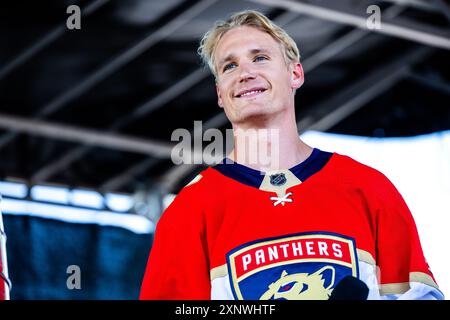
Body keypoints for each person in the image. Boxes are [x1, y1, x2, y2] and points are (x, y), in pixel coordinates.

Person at [139, 10, 444, 300]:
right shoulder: (190, 210)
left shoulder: (368, 188)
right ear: (220, 93)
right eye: (229, 66)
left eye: (260, 58)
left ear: (295, 74)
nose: (245, 73)